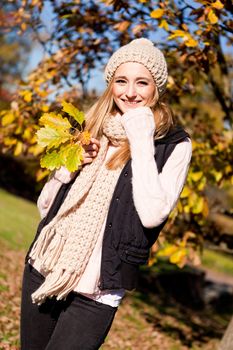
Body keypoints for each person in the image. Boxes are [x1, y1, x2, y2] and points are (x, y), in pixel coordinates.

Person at [20, 38, 192, 349]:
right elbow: (46, 208)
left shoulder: (174, 144)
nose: (130, 92)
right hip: (45, 266)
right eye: (121, 81)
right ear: (110, 83)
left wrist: (140, 135)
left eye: (142, 82)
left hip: (99, 288)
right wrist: (69, 168)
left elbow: (153, 214)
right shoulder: (88, 128)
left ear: (157, 88)